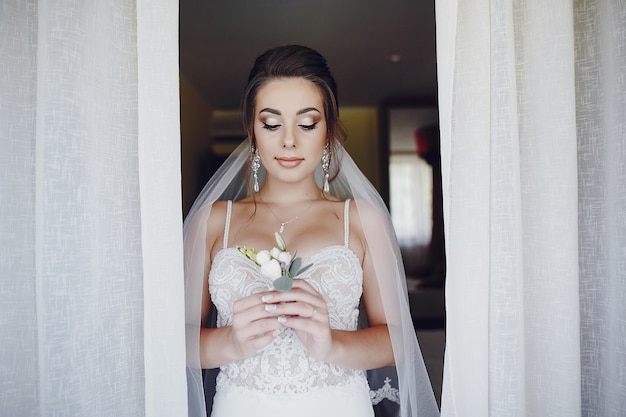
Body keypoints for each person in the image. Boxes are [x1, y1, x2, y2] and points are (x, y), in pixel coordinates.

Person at [184, 45, 439, 417]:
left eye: (307, 123)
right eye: (271, 124)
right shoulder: (213, 222)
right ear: (252, 130)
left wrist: (333, 344)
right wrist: (231, 342)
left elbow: (398, 338)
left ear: (328, 130)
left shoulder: (362, 219)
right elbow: (173, 339)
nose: (289, 140)